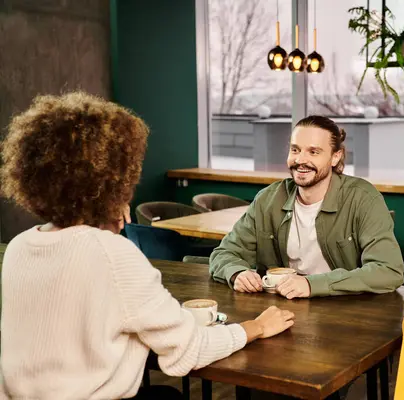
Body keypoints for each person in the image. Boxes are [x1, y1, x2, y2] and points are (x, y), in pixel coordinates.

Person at [0, 92, 294, 399]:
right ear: (113, 179)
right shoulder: (113, 254)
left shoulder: (20, 247)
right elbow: (187, 350)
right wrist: (255, 327)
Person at [210, 115, 404, 299]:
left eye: (313, 152)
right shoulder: (268, 199)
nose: (301, 160)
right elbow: (224, 253)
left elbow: (388, 271)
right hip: (282, 310)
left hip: (348, 312)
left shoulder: (364, 198)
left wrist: (312, 285)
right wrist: (237, 273)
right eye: (295, 150)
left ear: (335, 157)